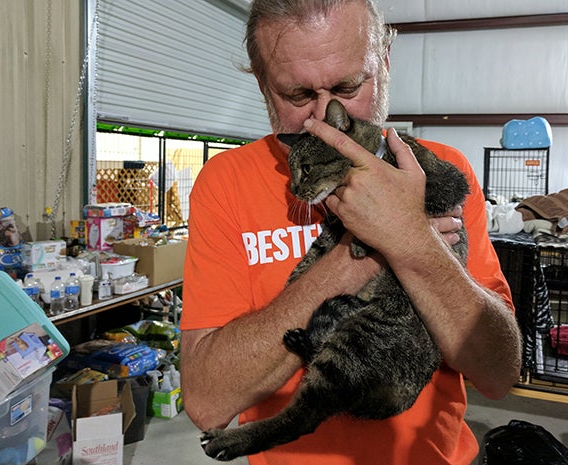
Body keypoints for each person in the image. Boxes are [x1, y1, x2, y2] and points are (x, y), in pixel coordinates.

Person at [180, 0, 522, 464]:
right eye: (298, 95)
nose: (325, 118)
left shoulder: (444, 171)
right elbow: (207, 402)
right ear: (264, 87)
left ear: (382, 63)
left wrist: (414, 242)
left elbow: (499, 372)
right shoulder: (227, 183)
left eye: (347, 86)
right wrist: (352, 258)